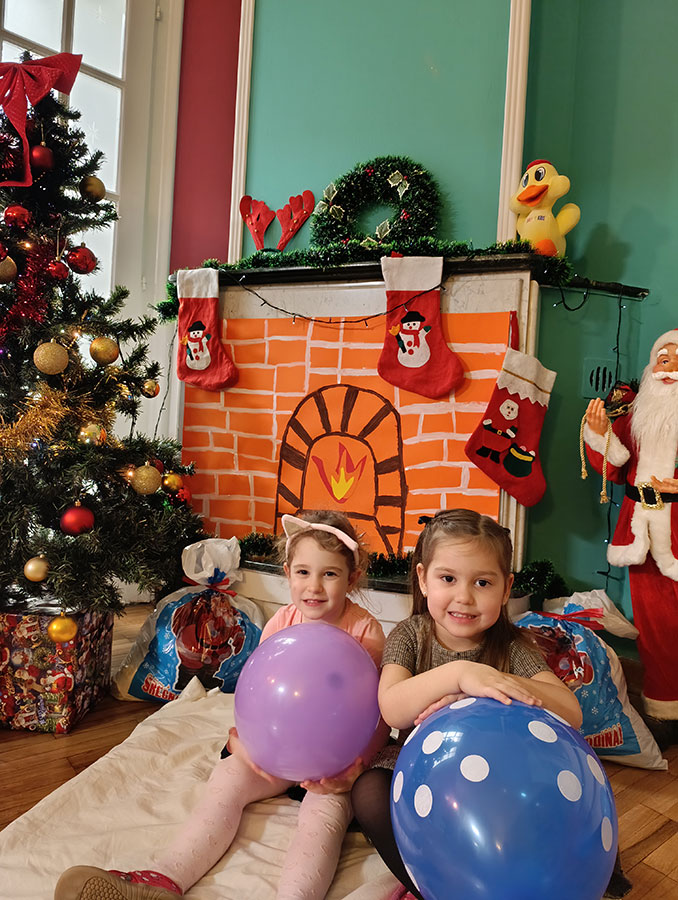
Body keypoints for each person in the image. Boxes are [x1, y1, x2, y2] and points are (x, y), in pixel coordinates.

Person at [54, 510, 388, 900]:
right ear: (287, 573)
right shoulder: (282, 622)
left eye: (329, 574)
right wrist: (250, 740)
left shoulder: (365, 631)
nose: (314, 586)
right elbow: (260, 691)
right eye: (303, 572)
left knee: (322, 818)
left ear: (352, 578)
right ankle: (164, 879)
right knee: (227, 780)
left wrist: (354, 768)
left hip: (334, 763)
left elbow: (376, 710)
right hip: (275, 753)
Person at [350, 509, 583, 900]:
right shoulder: (410, 635)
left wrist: (493, 684)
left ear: (506, 589)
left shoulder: (511, 646)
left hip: (498, 781)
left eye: (482, 582)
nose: (464, 597)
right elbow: (392, 708)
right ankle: (430, 890)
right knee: (369, 794)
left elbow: (571, 712)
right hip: (417, 770)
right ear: (423, 579)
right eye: (448, 579)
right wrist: (459, 674)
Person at [583, 329, 678, 748]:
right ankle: (665, 711)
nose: (669, 368)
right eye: (663, 359)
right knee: (656, 629)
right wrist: (600, 432)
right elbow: (615, 467)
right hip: (643, 534)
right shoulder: (635, 413)